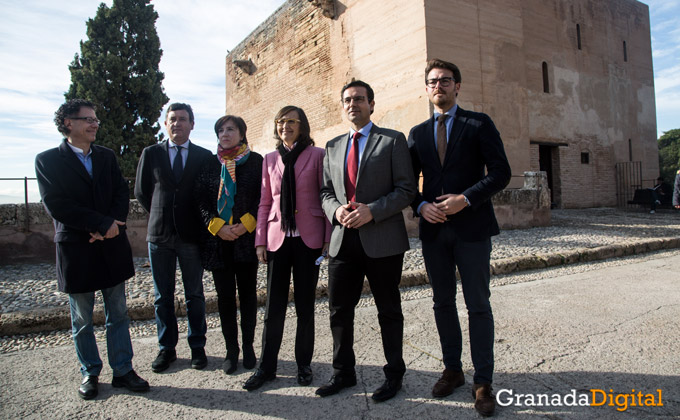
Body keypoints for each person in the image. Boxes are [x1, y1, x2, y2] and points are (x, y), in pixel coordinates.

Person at [408, 59, 511, 417]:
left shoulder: (478, 124)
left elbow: (501, 173)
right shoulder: (418, 133)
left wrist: (464, 199)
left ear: (458, 86)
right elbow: (409, 184)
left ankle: (483, 380)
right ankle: (452, 369)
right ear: (426, 89)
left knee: (478, 304)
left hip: (472, 229)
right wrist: (421, 206)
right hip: (434, 232)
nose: (439, 86)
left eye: (446, 80)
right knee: (442, 302)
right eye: (433, 81)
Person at [35, 99, 149, 400]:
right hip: (77, 248)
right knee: (82, 319)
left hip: (111, 245)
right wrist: (98, 225)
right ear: (68, 123)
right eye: (87, 119)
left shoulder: (107, 156)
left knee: (118, 313)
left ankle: (123, 370)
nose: (94, 123)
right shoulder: (47, 161)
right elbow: (57, 205)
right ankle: (90, 371)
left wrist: (110, 226)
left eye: (95, 118)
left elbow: (119, 194)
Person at [317, 81, 417, 402]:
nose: (353, 104)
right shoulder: (332, 146)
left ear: (371, 104)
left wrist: (371, 211)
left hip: (383, 241)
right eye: (347, 99)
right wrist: (337, 212)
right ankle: (343, 373)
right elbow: (325, 193)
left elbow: (406, 190)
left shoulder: (392, 141)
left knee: (388, 309)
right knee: (339, 310)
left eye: (359, 99)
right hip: (343, 240)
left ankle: (394, 375)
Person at [243, 106, 331, 391]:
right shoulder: (269, 159)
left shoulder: (318, 155)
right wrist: (259, 240)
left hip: (309, 239)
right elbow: (264, 202)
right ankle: (266, 367)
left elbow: (326, 196)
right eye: (281, 122)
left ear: (302, 125)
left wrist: (328, 237)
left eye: (291, 121)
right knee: (274, 307)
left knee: (306, 306)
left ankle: (303, 364)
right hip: (276, 239)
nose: (286, 126)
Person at [135, 103, 212, 372]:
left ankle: (197, 347)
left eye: (182, 119)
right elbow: (143, 192)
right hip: (159, 236)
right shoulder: (151, 153)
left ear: (192, 124)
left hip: (191, 236)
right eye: (172, 119)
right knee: (162, 296)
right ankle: (166, 349)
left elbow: (207, 194)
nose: (177, 123)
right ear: (165, 124)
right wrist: (163, 215)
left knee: (194, 294)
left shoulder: (204, 156)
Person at [194, 116, 263, 374]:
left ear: (242, 133)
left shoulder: (256, 162)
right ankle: (230, 350)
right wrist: (217, 227)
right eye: (220, 130)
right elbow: (199, 200)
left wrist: (245, 225)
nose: (225, 133)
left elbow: (263, 197)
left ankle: (248, 346)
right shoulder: (209, 165)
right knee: (225, 299)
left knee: (247, 297)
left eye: (230, 129)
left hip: (245, 240)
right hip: (218, 242)